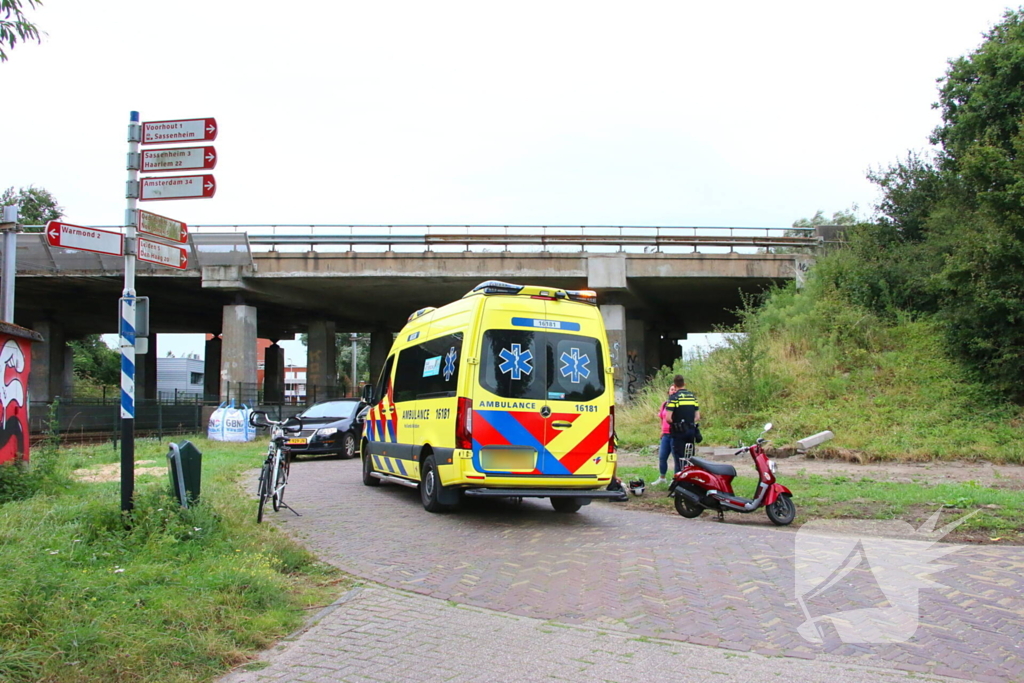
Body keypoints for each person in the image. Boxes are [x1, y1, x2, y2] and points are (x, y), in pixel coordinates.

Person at [664, 374, 701, 476]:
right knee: (690, 457)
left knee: (679, 458)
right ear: (684, 384)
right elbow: (697, 417)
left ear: (675, 386)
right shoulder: (692, 397)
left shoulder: (674, 398)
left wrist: (675, 422)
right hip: (691, 430)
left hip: (678, 432)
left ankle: (679, 480)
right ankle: (690, 477)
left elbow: (668, 418)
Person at [653, 385, 677, 485]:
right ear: (668, 392)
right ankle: (662, 477)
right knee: (662, 457)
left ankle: (675, 479)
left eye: (675, 389)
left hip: (675, 434)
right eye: (672, 389)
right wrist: (662, 430)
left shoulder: (679, 404)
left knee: (676, 458)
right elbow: (662, 418)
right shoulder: (664, 404)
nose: (673, 391)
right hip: (665, 435)